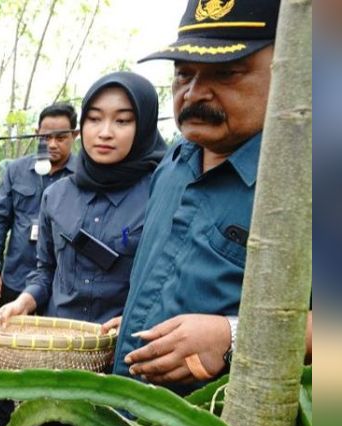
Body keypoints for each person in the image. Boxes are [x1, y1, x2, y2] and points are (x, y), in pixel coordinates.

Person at [108, 0, 312, 394]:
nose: (195, 93)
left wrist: (231, 336)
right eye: (183, 73)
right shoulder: (173, 163)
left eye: (227, 73)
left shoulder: (313, 181)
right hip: (134, 422)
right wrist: (138, 318)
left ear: (289, 72)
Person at [0, 72, 166, 426]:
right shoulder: (58, 195)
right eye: (94, 119)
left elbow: (166, 277)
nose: (105, 132)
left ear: (143, 125)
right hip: (59, 357)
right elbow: (45, 271)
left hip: (125, 362)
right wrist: (26, 300)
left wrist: (133, 318)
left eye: (123, 120)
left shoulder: (163, 192)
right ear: (81, 127)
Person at [0, 103, 79, 426]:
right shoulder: (17, 171)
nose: (53, 143)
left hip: (58, 283)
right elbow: (0, 219)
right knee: (4, 350)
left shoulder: (82, 176)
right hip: (17, 274)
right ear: (37, 133)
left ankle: (43, 420)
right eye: (46, 136)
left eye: (61, 136)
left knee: (49, 355)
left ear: (74, 136)